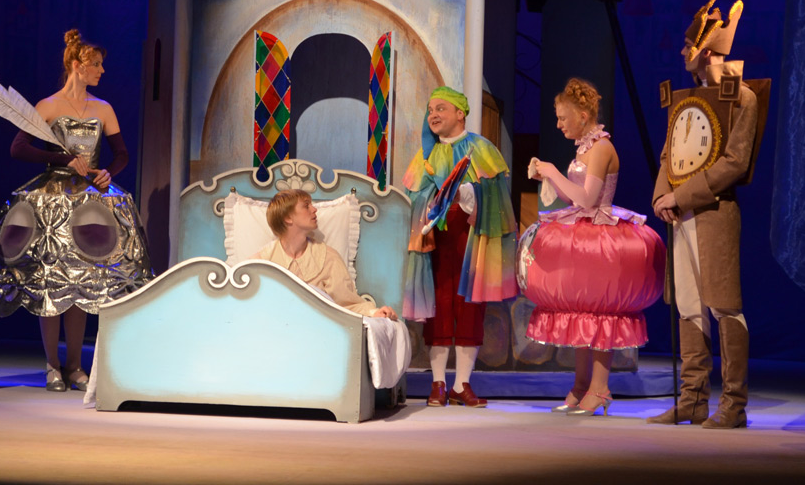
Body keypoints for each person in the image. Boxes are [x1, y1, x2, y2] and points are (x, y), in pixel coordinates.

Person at [0, 29, 152, 392]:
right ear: (77, 65)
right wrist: (61, 159)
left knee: (81, 282)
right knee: (52, 283)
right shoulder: (48, 106)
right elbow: (18, 147)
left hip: (90, 202)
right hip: (54, 200)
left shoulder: (103, 108)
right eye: (97, 65)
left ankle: (75, 365)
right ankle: (52, 364)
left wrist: (109, 172)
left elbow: (121, 153)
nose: (102, 71)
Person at [649, 0, 764, 429]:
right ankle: (693, 399)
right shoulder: (688, 99)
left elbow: (734, 162)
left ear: (708, 51)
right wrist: (662, 197)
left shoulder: (742, 98)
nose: (683, 52)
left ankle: (733, 404)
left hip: (714, 213)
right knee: (688, 306)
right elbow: (668, 156)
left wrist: (680, 197)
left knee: (724, 306)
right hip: (681, 217)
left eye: (689, 46)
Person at [519, 79, 665, 416]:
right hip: (583, 232)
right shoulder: (583, 147)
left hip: (602, 237)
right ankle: (581, 384)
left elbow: (587, 199)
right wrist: (548, 177)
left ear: (583, 116)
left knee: (600, 312)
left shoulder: (601, 148)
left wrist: (553, 170)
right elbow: (573, 196)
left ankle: (600, 388)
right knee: (582, 312)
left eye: (563, 118)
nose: (559, 124)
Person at [403, 87, 517, 408]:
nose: (433, 115)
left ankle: (461, 384)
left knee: (469, 308)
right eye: (430, 110)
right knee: (438, 306)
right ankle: (438, 383)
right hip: (436, 243)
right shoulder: (426, 155)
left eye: (440, 108)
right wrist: (428, 204)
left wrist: (470, 196)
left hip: (472, 239)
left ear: (460, 113)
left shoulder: (482, 149)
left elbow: (497, 198)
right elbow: (413, 197)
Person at [253, 190, 398, 319]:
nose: (314, 209)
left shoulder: (328, 258)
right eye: (306, 206)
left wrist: (374, 312)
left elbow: (347, 304)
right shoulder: (261, 262)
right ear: (288, 218)